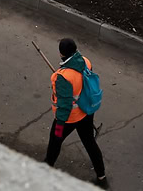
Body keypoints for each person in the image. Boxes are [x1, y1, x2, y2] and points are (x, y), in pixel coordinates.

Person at [46, 36, 109, 187]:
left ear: (61, 54)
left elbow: (65, 105)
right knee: (89, 142)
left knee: (55, 142)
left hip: (69, 119)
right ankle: (102, 178)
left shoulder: (62, 77)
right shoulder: (86, 62)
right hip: (87, 112)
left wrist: (59, 125)